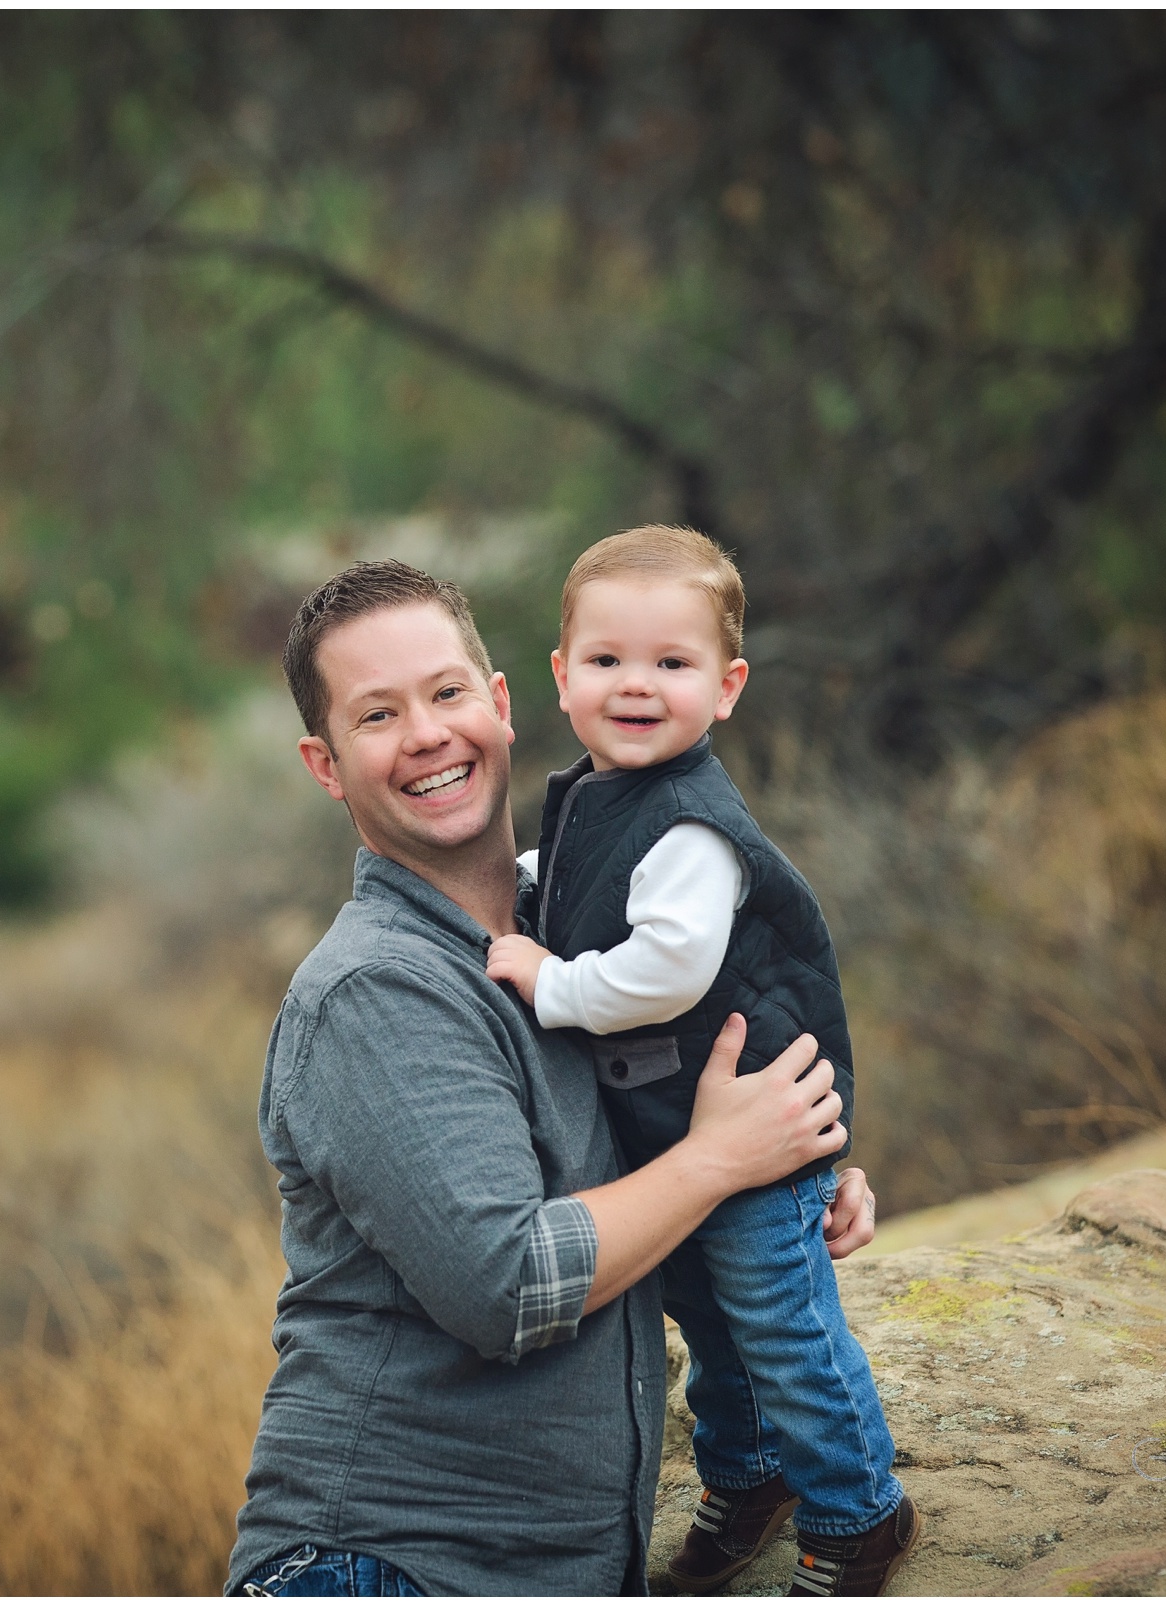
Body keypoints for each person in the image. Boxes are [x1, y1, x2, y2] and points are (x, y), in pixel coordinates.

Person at [227, 560, 880, 1597]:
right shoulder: (374, 990)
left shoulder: (587, 943)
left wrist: (793, 1167)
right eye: (378, 716)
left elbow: (709, 1082)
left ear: (500, 703)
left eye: (446, 693)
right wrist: (719, 1159)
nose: (429, 734)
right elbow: (510, 1283)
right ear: (326, 762)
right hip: (388, 1563)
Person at [484, 526, 914, 1596]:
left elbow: (670, 967)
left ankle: (860, 1513)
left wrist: (549, 980)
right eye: (608, 661)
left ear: (725, 689)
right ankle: (748, 1473)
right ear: (561, 675)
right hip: (681, 1133)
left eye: (671, 665)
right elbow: (570, 872)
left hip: (755, 1133)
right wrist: (513, 893)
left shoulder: (690, 828)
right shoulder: (594, 793)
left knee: (782, 1325)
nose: (637, 687)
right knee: (709, 1320)